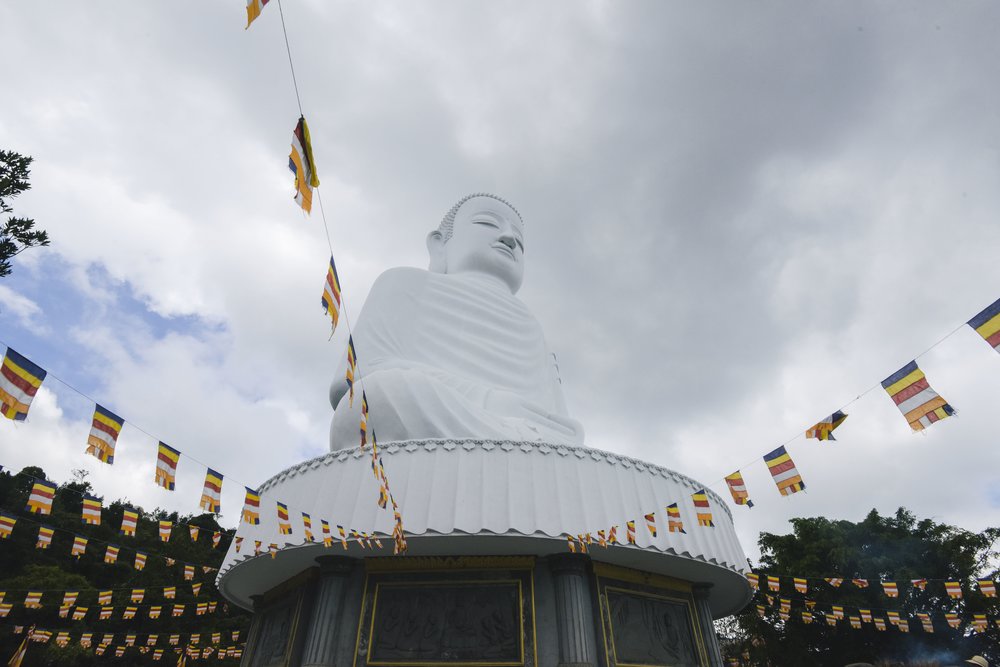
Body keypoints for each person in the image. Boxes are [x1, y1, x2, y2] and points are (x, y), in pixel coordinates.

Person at [328, 193, 584, 449]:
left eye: (519, 240)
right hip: (433, 413)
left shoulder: (532, 326)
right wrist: (491, 401)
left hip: (533, 435)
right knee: (378, 394)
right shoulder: (403, 283)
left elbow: (562, 423)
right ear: (440, 244)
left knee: (574, 440)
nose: (509, 238)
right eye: (487, 223)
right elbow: (354, 376)